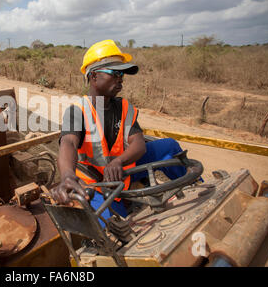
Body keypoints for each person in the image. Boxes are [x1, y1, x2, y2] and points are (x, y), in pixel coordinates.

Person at [50, 39, 191, 227]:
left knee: (169, 147)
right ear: (93, 77)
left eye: (122, 74)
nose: (121, 79)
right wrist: (67, 175)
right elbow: (68, 142)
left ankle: (194, 191)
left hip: (121, 167)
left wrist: (119, 161)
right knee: (114, 226)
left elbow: (139, 143)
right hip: (95, 181)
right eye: (114, 73)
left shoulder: (123, 107)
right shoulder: (78, 111)